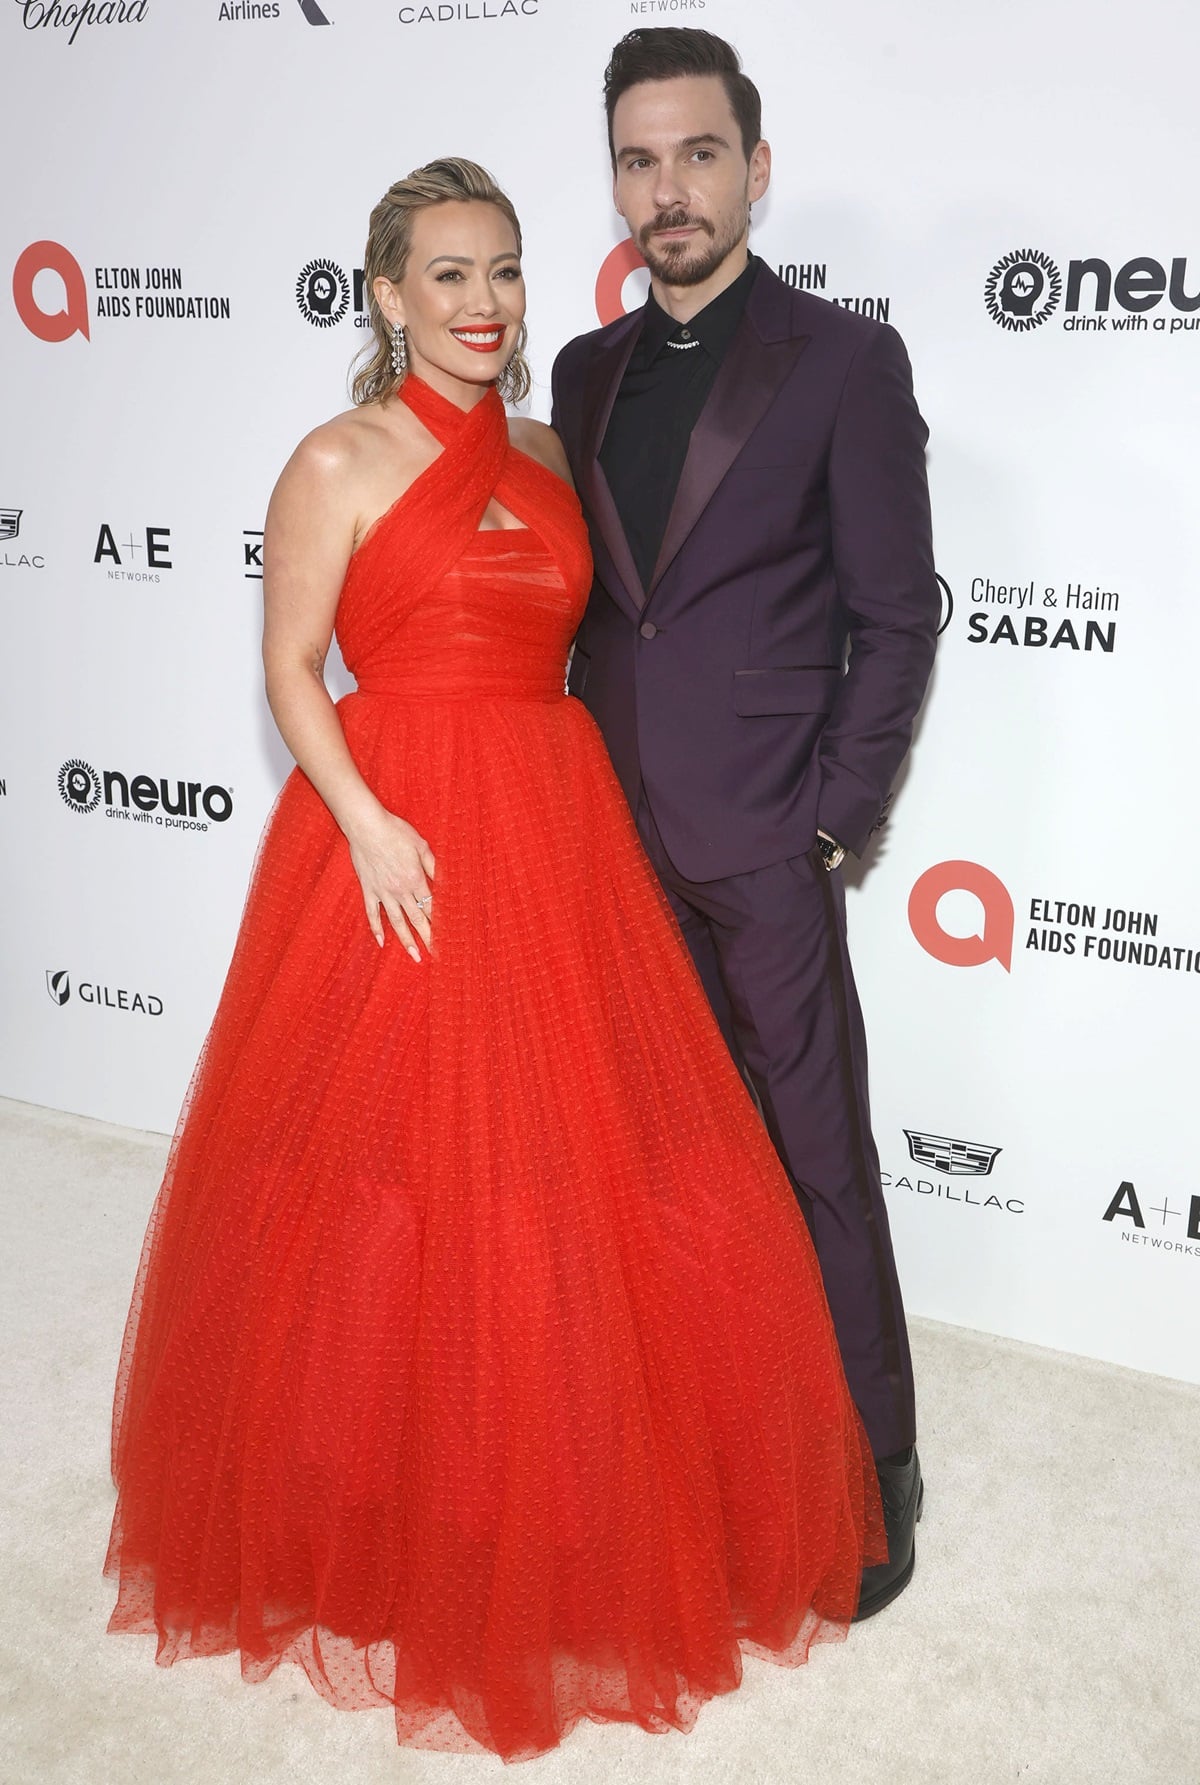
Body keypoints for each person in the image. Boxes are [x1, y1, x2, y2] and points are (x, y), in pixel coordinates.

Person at [104, 158, 883, 1763]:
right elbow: (288, 664)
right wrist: (370, 821)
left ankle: (568, 1477)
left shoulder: (549, 447)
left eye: (506, 270)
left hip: (555, 818)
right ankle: (382, 1492)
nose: (483, 304)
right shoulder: (333, 458)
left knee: (569, 1164)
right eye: (447, 274)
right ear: (384, 293)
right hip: (394, 833)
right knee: (389, 1168)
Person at [551, 29, 939, 1619]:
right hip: (607, 844)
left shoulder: (844, 362)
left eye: (698, 154)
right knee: (662, 1169)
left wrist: (837, 825)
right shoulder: (581, 374)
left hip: (770, 846)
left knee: (818, 1164)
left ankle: (875, 1468)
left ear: (754, 168)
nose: (669, 190)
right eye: (639, 161)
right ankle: (714, 1437)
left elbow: (899, 615)